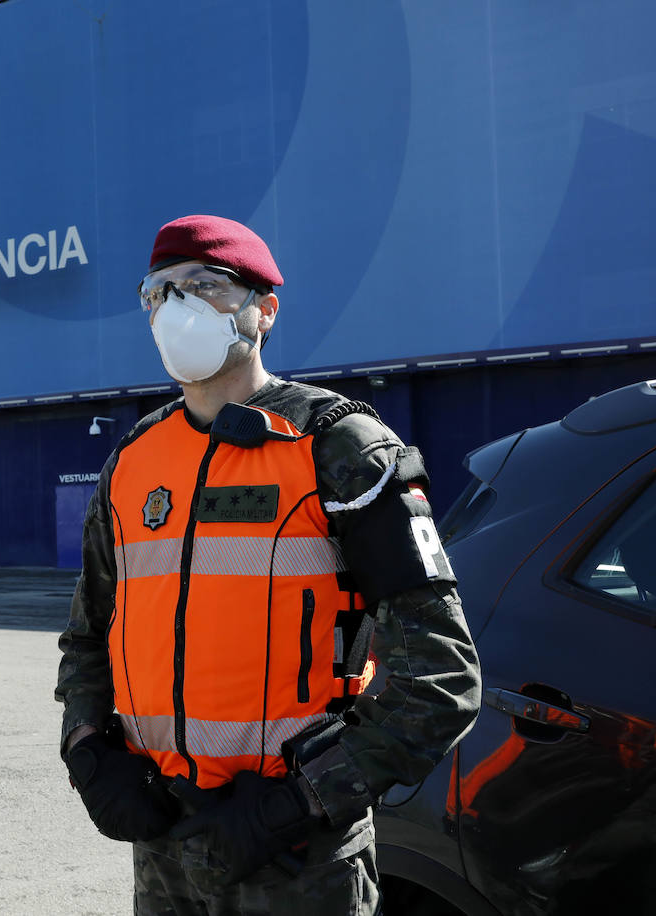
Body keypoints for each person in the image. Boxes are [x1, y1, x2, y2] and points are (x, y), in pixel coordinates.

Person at [55, 215, 481, 914]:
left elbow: (440, 677)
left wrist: (299, 802)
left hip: (297, 857)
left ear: (265, 310)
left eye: (204, 286)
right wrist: (86, 749)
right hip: (164, 846)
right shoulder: (133, 462)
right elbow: (87, 637)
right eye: (158, 292)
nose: (176, 307)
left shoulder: (340, 446)